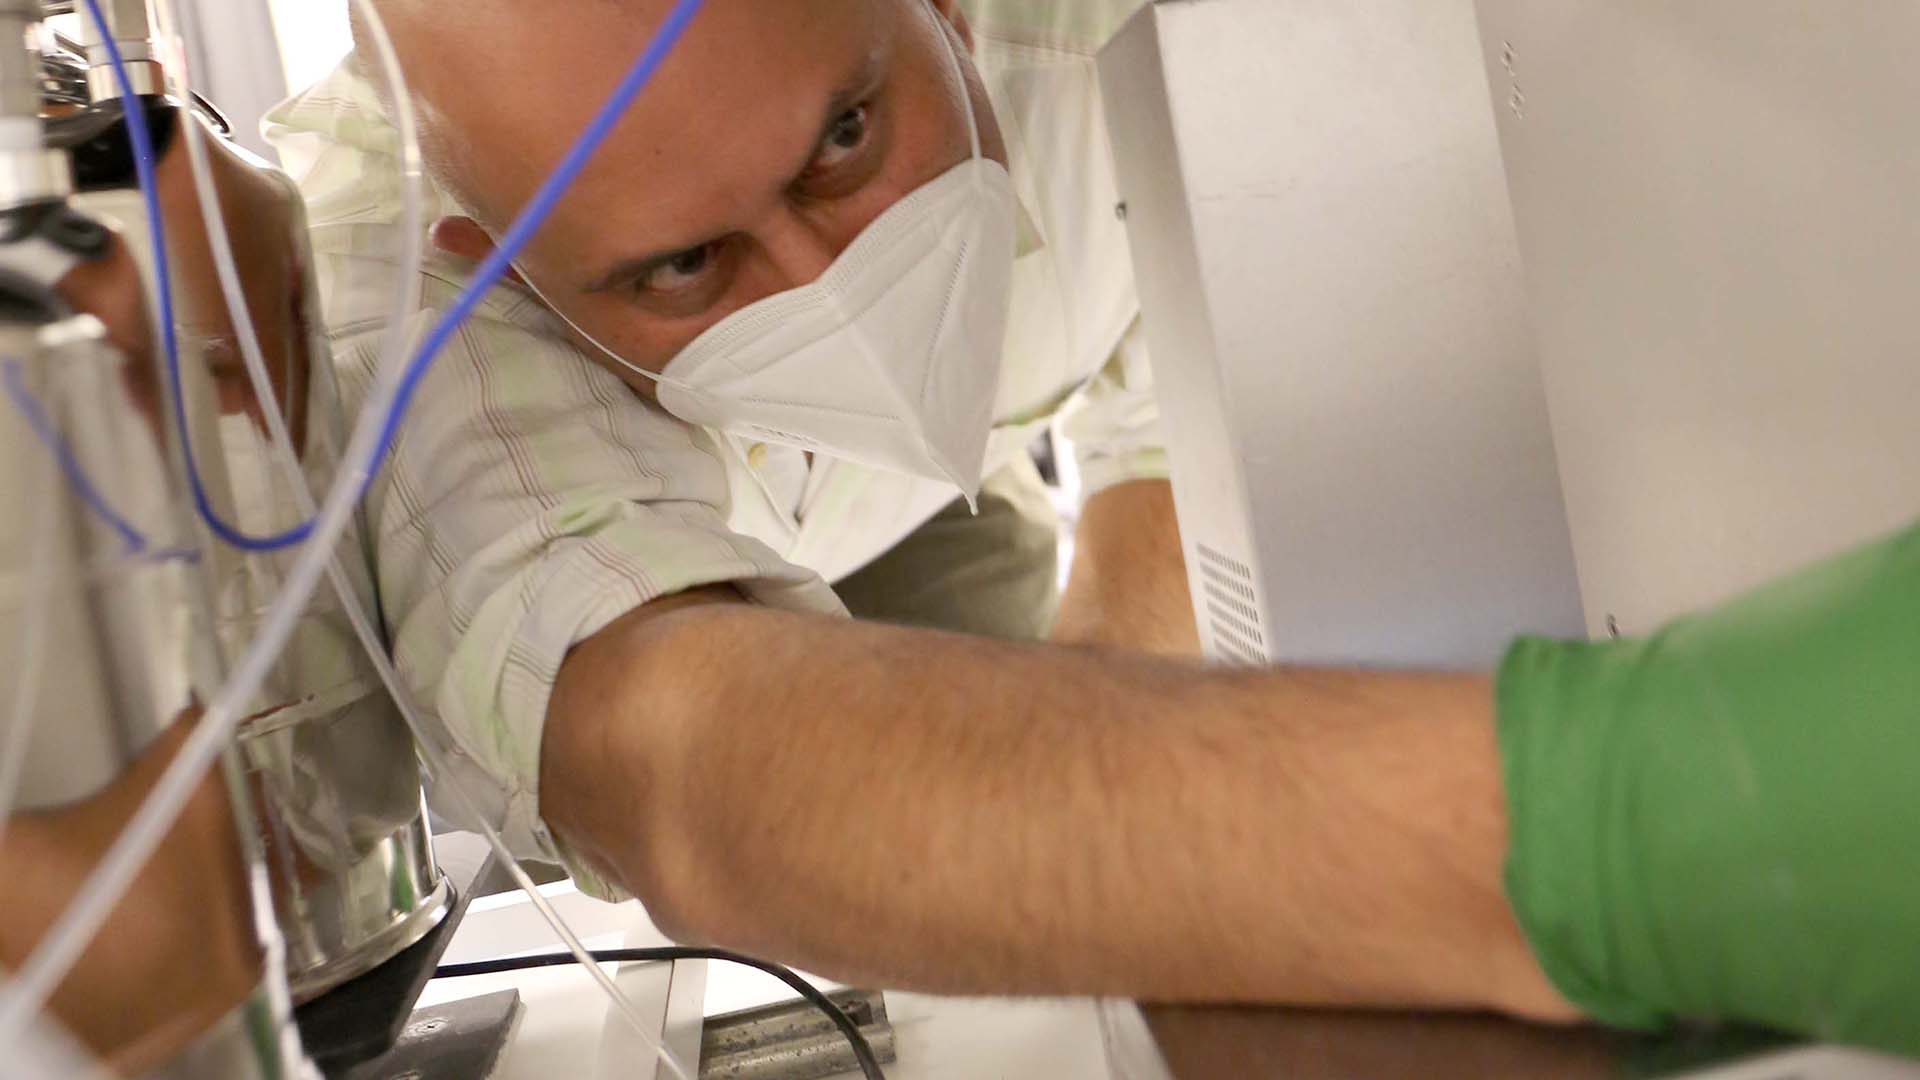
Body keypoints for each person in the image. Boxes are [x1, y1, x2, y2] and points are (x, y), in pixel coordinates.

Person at [264, 0, 1920, 1058]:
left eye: (847, 136)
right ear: (498, 244)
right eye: (683, 266)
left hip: (989, 498)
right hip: (746, 571)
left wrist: (1143, 794)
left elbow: (1145, 407)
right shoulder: (388, 281)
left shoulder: (1097, 38)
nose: (832, 277)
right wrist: (1621, 827)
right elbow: (676, 754)